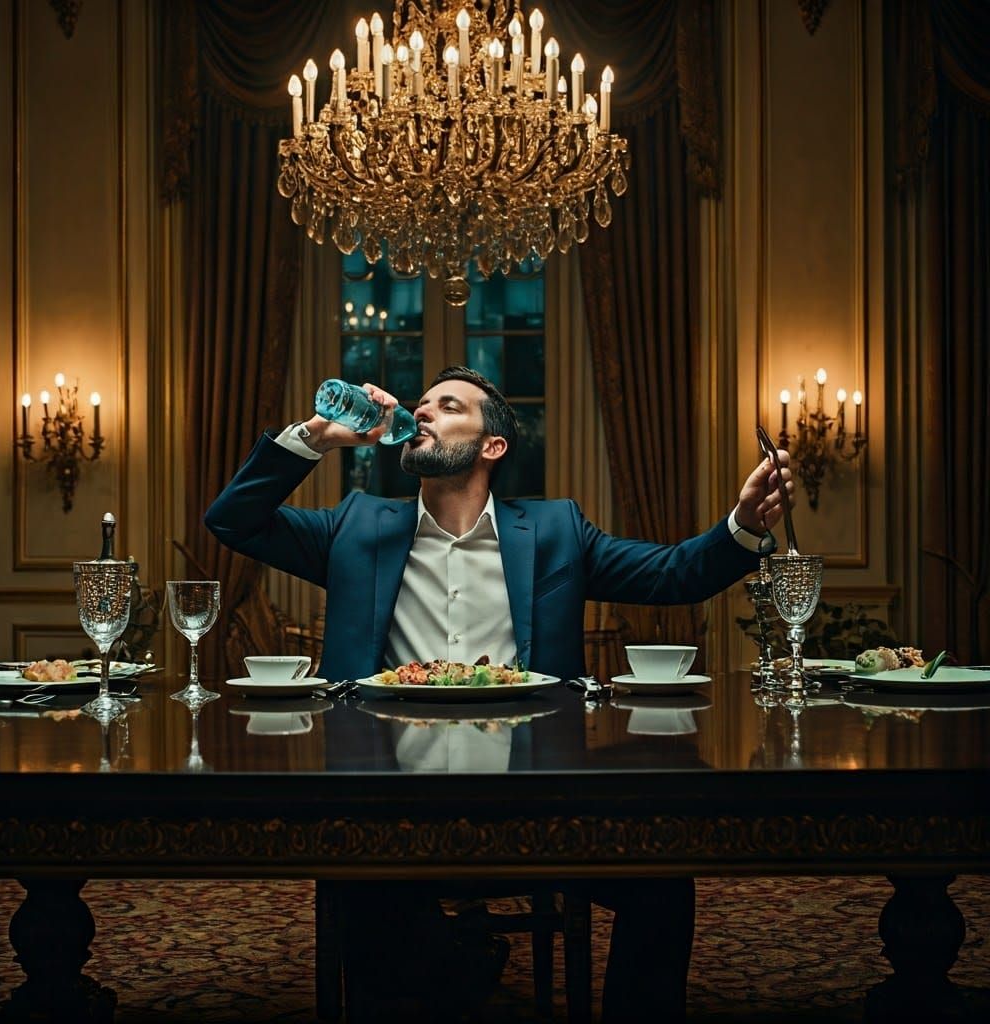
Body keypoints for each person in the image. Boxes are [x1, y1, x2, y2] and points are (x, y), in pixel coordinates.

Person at [205, 366, 794, 1022]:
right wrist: (319, 434)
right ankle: (460, 968)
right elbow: (232, 520)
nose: (421, 413)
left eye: (447, 406)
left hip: (537, 796)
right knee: (373, 901)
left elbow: (674, 575)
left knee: (662, 883)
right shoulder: (355, 526)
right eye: (420, 405)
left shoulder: (555, 532)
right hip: (383, 796)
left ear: (493, 446)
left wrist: (742, 523)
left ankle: (481, 970)